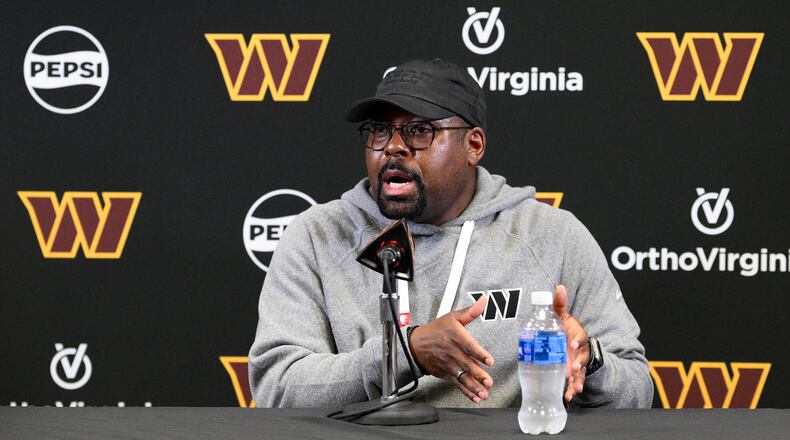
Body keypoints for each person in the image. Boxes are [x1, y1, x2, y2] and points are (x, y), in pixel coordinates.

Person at [249, 58, 653, 408]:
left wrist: (590, 361)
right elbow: (276, 389)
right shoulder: (317, 236)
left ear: (473, 144)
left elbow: (637, 391)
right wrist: (405, 353)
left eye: (419, 131)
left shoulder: (552, 236)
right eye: (379, 131)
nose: (392, 148)